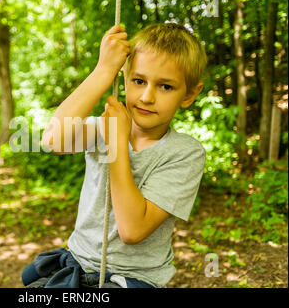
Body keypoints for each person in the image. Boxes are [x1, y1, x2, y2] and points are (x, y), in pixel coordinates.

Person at [22, 23, 207, 288]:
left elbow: (132, 230)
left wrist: (117, 145)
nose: (146, 96)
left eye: (165, 86)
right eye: (139, 81)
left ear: (189, 94)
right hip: (78, 262)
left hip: (132, 278)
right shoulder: (104, 128)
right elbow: (53, 140)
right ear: (125, 78)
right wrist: (103, 70)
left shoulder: (184, 153)